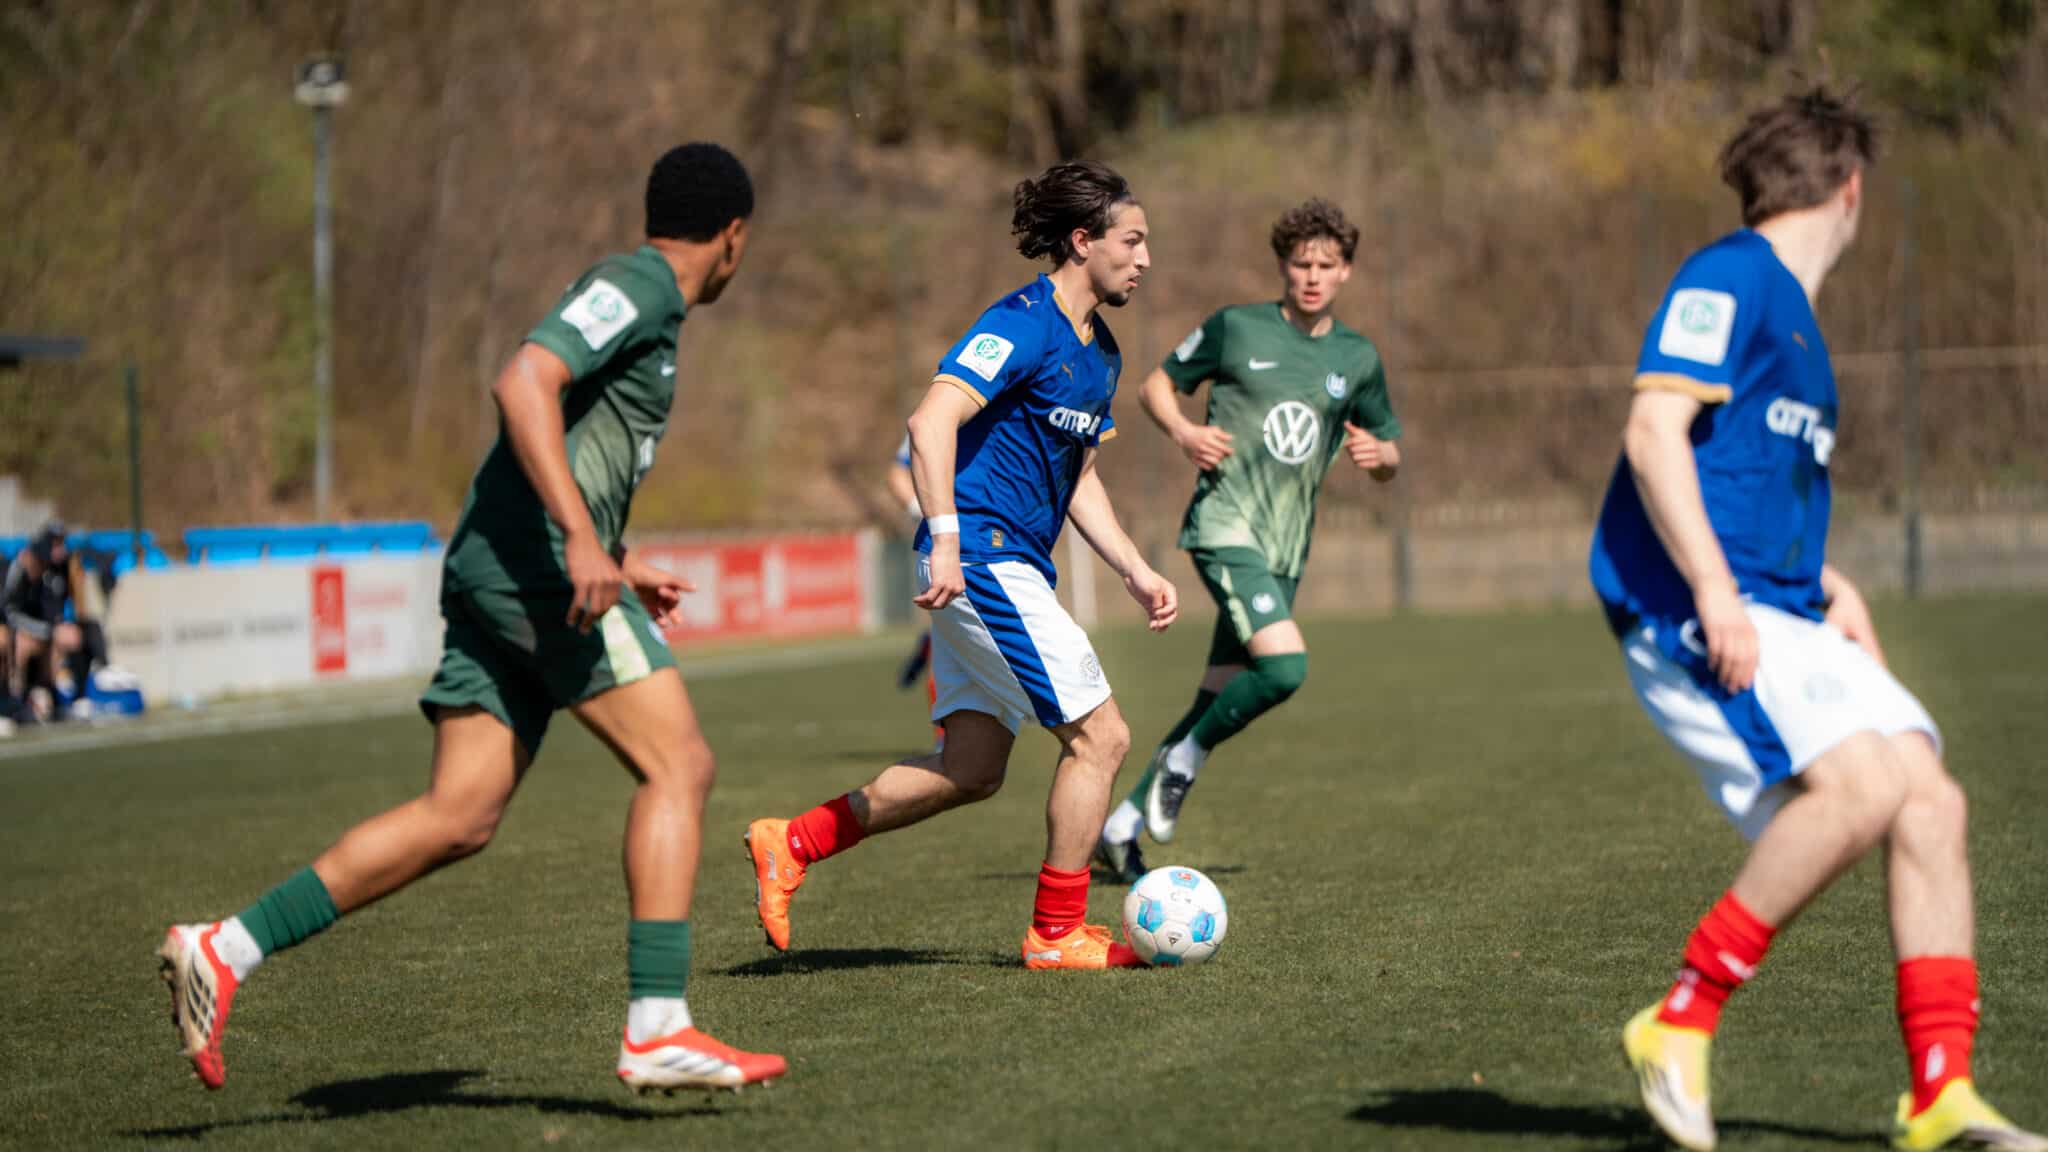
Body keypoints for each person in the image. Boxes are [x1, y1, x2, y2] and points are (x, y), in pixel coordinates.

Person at [158, 142, 787, 1095]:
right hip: (532, 576)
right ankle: (657, 1026)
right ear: (733, 234)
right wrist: (580, 542)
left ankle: (224, 947)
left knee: (460, 814)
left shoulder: (646, 298)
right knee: (680, 765)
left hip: (505, 570)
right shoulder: (643, 284)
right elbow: (523, 381)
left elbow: (561, 438)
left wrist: (613, 555)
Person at [1590, 88, 2044, 1152]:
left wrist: (1825, 582)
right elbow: (1654, 432)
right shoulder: (1728, 275)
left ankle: (1938, 1092)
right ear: (1849, 190)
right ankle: (1677, 1020)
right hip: (1691, 601)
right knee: (1862, 787)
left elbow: (1743, 478)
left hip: (1782, 602)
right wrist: (1711, 592)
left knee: (1928, 801)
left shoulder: (1792, 319)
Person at [744, 159, 1177, 970]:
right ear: (1083, 242)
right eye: (1133, 240)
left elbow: (1078, 476)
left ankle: (792, 841)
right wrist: (944, 535)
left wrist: (1133, 567)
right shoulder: (1019, 321)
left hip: (1004, 563)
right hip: (980, 555)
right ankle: (1057, 934)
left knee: (973, 768)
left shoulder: (1102, 353)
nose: (1146, 258)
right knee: (1103, 738)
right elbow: (930, 418)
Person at [1094, 199, 1402, 881]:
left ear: (1346, 271)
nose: (1312, 276)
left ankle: (1120, 827)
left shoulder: (1357, 358)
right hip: (1225, 526)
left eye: (1326, 265)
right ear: (1284, 267)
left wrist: (1383, 461)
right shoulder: (1237, 329)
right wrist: (1184, 433)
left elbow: (1388, 447)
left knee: (1219, 690)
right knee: (1285, 668)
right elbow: (1154, 386)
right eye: (1301, 264)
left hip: (1287, 547)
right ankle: (1184, 761)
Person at [885, 433, 940, 746]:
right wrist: (924, 511)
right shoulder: (945, 404)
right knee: (952, 643)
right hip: (952, 544)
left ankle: (928, 643)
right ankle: (946, 737)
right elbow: (897, 474)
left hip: (1007, 540)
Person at [3, 519, 82, 722]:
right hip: (21, 632)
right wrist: (44, 630)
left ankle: (55, 696)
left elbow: (59, 611)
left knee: (66, 637)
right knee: (14, 642)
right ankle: (15, 701)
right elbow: (10, 612)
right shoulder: (20, 568)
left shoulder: (57, 568)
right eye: (55, 543)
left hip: (42, 632)